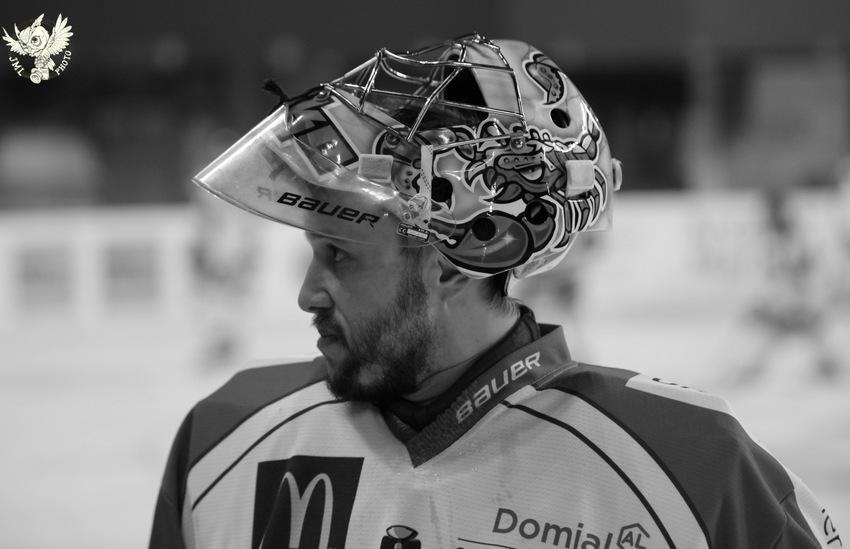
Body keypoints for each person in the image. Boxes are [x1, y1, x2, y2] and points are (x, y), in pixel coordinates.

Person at [149, 34, 841, 549]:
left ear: (460, 262)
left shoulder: (694, 467)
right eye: (312, 251)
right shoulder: (223, 439)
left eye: (341, 255)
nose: (307, 295)